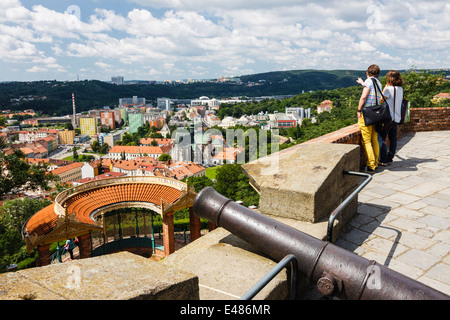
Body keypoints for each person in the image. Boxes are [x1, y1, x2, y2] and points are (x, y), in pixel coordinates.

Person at [356, 64, 383, 173]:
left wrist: (359, 110)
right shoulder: (379, 83)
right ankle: (376, 162)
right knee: (374, 139)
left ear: (368, 73)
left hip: (367, 113)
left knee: (367, 141)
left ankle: (371, 165)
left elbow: (363, 97)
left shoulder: (369, 82)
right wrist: (363, 83)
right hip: (376, 114)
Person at [377, 70, 404, 165]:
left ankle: (383, 159)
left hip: (388, 118)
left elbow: (381, 100)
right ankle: (390, 158)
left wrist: (385, 87)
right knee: (393, 139)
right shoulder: (400, 89)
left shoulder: (389, 89)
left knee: (380, 138)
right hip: (396, 117)